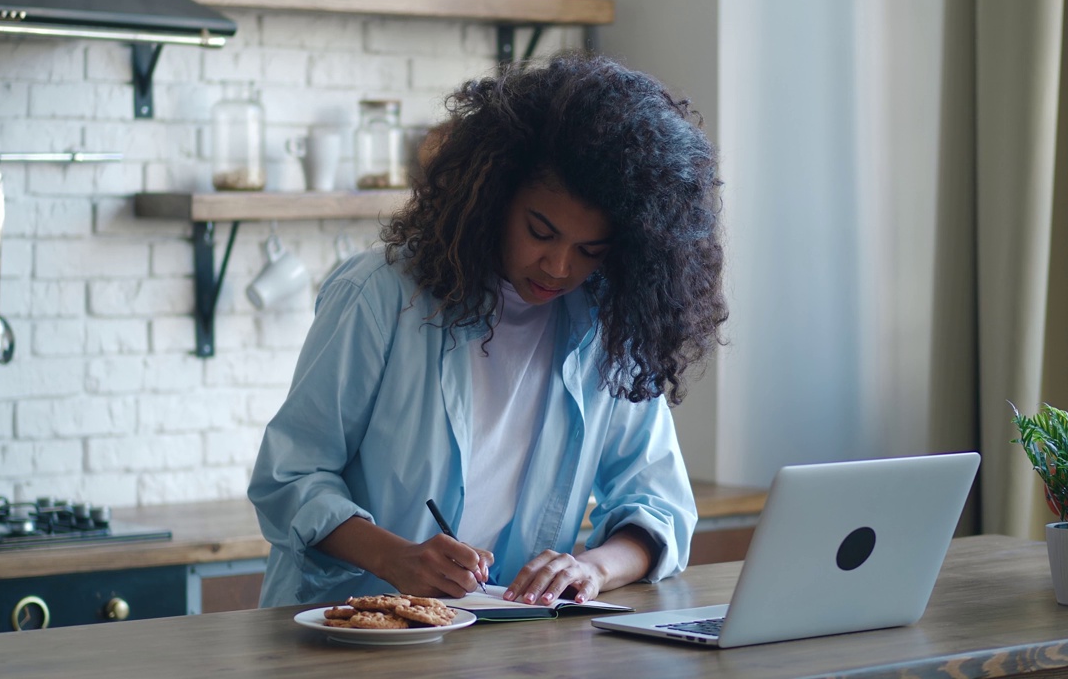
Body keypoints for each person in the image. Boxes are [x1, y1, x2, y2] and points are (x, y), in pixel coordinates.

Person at [248, 51, 728, 609]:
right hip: (349, 633)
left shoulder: (604, 322)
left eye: (590, 250)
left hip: (508, 642)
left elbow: (659, 506)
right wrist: (395, 558)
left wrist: (590, 568)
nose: (559, 267)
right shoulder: (378, 296)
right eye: (540, 232)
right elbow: (290, 478)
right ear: (491, 197)